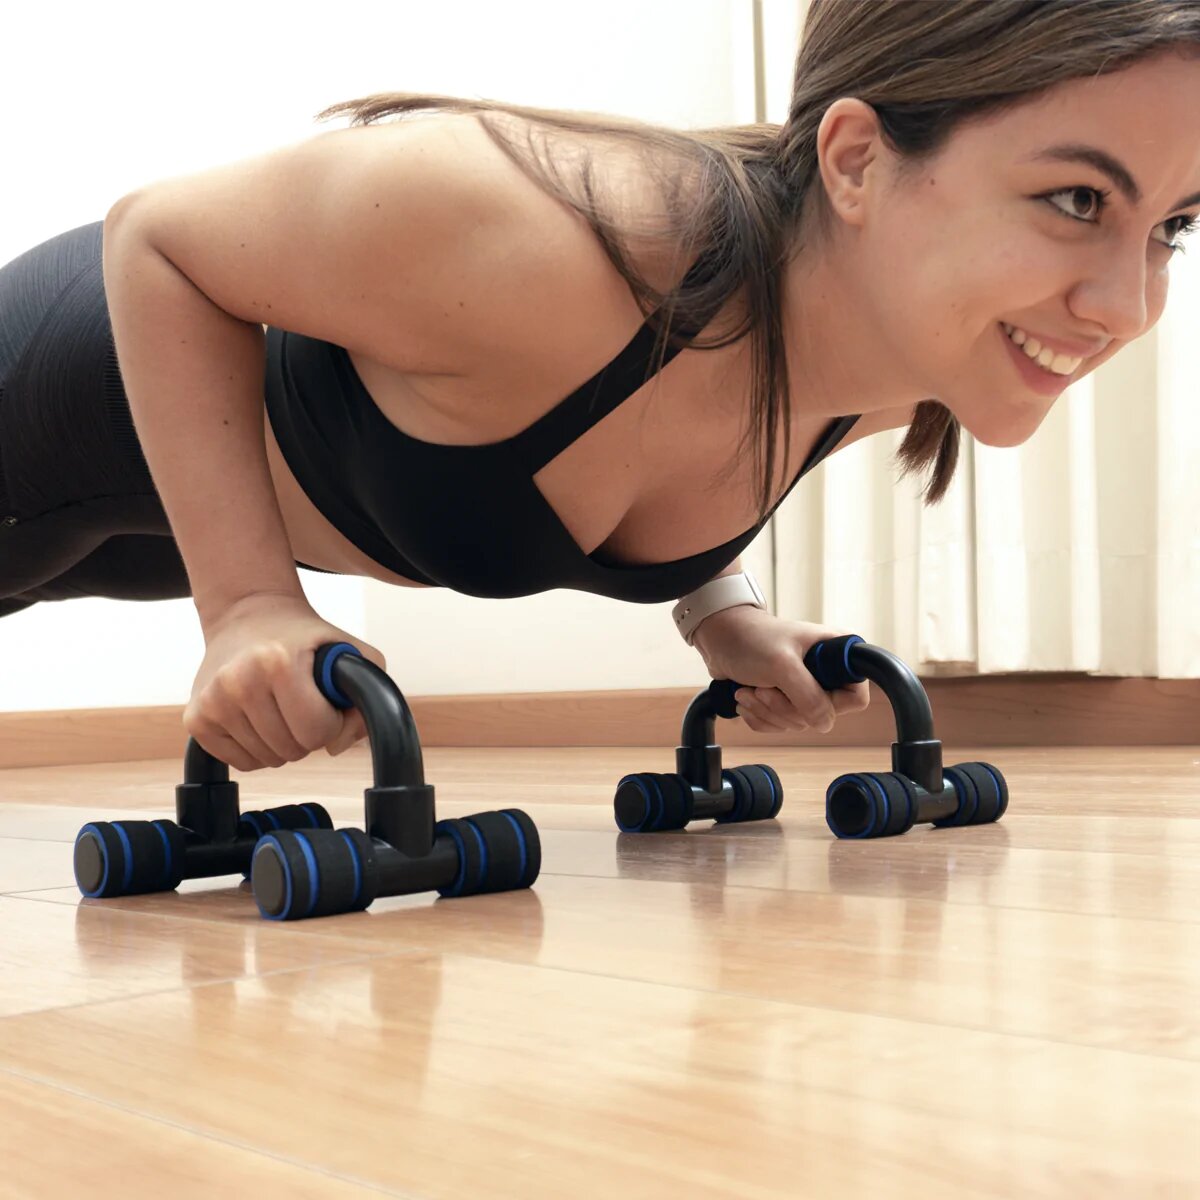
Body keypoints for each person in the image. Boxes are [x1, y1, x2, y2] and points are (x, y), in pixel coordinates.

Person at [1, 0, 1197, 772]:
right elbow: (156, 238)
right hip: (57, 401)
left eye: (1174, 227)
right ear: (856, 162)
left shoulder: (908, 356)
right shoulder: (545, 231)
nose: (1130, 307)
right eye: (1076, 200)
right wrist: (245, 602)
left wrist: (721, 615)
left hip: (184, 508)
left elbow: (694, 424)